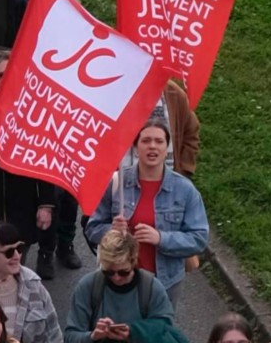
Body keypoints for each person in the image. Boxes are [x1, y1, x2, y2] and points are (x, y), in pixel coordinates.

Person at [82, 114, 208, 292]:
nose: (152, 146)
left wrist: (160, 238)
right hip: (119, 279)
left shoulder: (185, 190)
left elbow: (199, 239)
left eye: (159, 141)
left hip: (165, 283)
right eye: (146, 140)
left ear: (167, 148)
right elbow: (92, 228)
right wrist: (111, 230)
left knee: (159, 321)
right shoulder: (117, 183)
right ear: (135, 146)